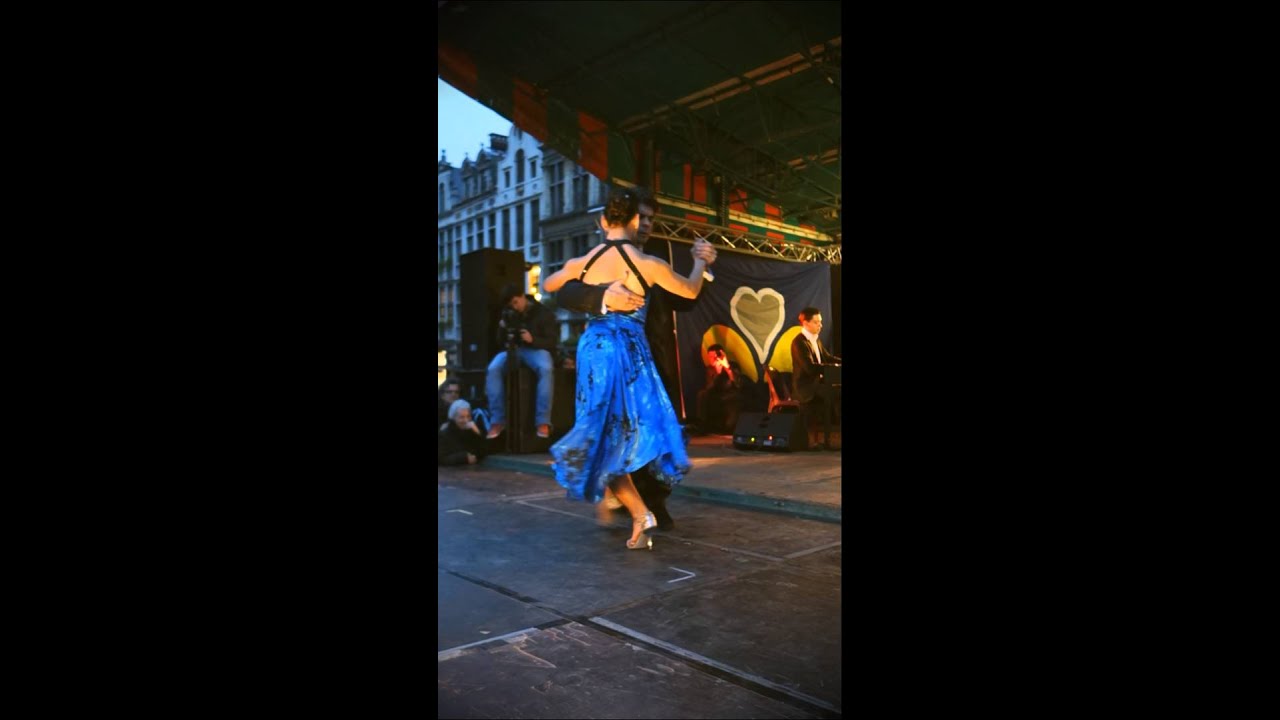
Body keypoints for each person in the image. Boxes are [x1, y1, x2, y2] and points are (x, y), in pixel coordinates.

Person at [542, 185, 713, 550]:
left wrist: (593, 282)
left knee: (605, 435)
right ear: (635, 219)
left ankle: (639, 510)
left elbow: (550, 284)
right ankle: (639, 510)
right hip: (631, 353)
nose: (647, 224)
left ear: (605, 222)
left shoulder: (585, 261)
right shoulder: (649, 264)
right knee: (625, 434)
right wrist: (700, 262)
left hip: (595, 350)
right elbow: (689, 290)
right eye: (644, 218)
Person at [484, 283, 558, 440]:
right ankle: (497, 420)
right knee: (493, 368)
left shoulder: (543, 313)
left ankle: (543, 421)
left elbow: (552, 342)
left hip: (535, 349)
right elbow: (499, 341)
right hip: (513, 349)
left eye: (516, 302)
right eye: (511, 305)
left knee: (545, 368)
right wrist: (502, 328)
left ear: (522, 296)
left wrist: (533, 339)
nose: (515, 307)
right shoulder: (508, 313)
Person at [789, 307, 842, 448]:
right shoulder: (799, 343)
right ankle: (827, 440)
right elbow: (810, 368)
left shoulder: (815, 339)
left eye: (820, 322)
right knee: (837, 393)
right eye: (816, 322)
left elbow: (827, 357)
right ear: (805, 323)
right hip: (806, 388)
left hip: (817, 384)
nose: (820, 325)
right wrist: (831, 368)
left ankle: (829, 438)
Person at [696, 344, 745, 435]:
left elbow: (738, 384)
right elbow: (709, 388)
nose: (711, 359)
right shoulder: (710, 369)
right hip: (715, 395)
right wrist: (718, 373)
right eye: (709, 357)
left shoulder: (733, 366)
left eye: (713, 357)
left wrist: (727, 368)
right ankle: (702, 425)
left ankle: (729, 427)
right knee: (702, 394)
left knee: (735, 400)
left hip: (730, 395)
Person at [439, 399, 488, 466]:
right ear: (453, 418)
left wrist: (478, 433)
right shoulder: (444, 435)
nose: (466, 420)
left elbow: (484, 452)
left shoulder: (471, 430)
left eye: (468, 416)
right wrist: (464, 458)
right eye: (461, 417)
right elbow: (441, 459)